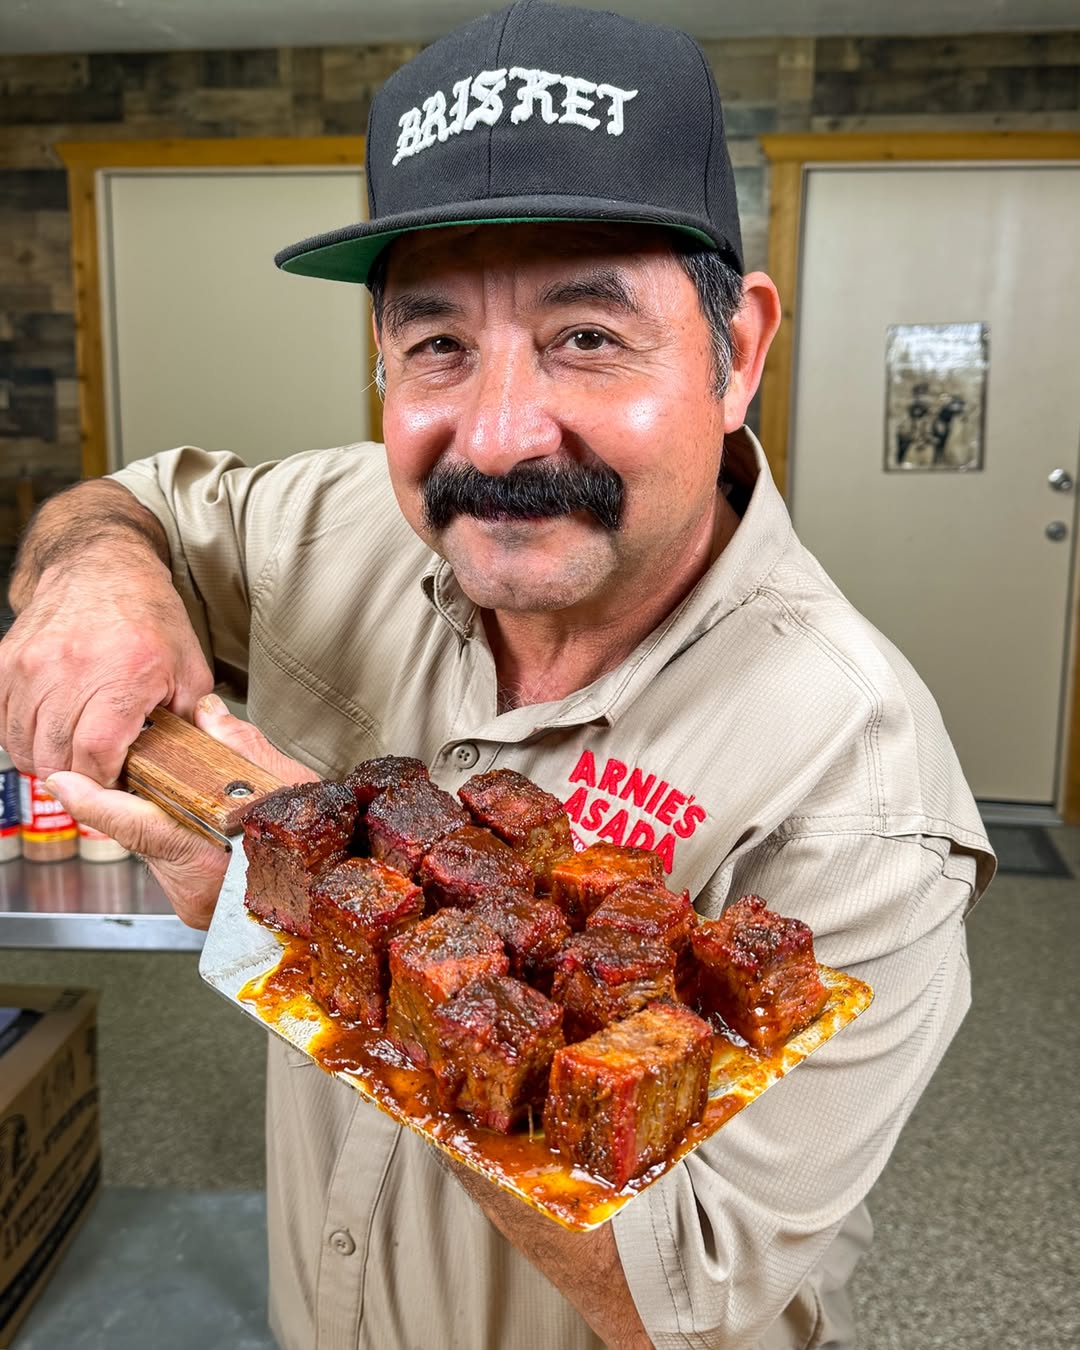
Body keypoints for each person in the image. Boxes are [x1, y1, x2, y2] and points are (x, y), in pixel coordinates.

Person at [0, 3, 994, 1346]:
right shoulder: (339, 520)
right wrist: (95, 574)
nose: (502, 435)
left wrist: (320, 946)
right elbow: (137, 505)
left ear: (739, 353)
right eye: (439, 346)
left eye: (587, 334)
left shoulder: (859, 777)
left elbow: (684, 1291)